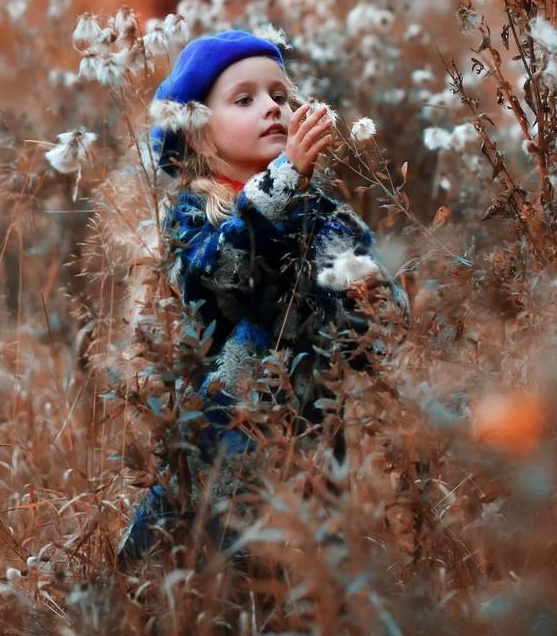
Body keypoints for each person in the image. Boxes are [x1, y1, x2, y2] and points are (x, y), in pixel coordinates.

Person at [117, 30, 406, 563]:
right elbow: (218, 282)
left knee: (301, 579)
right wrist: (283, 182)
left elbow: (380, 334)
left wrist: (368, 296)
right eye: (244, 99)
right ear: (199, 135)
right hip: (221, 448)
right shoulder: (192, 215)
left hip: (309, 444)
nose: (272, 107)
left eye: (279, 95)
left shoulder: (324, 215)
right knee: (205, 570)